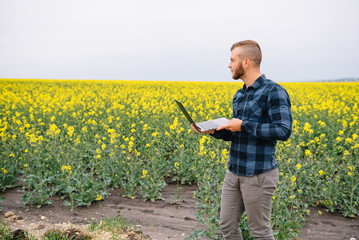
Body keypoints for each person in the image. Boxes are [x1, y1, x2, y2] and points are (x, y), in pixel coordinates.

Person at [191, 40, 292, 239]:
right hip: (234, 172)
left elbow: (283, 131)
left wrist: (244, 125)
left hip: (258, 174)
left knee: (260, 231)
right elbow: (236, 133)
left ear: (246, 62)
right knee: (227, 225)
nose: (229, 65)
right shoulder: (239, 95)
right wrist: (214, 131)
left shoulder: (274, 91)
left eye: (232, 60)